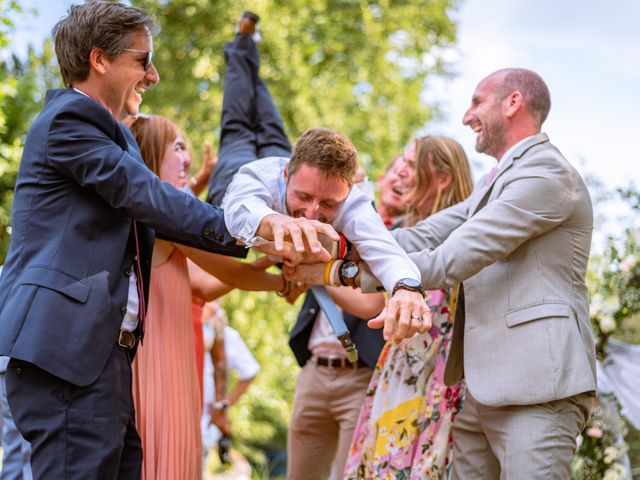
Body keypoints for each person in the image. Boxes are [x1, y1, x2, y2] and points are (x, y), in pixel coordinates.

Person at [0, 2, 246, 478]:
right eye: (142, 60)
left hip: (101, 358)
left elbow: (153, 205)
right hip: (66, 354)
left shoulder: (113, 137)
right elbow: (146, 193)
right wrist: (247, 229)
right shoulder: (70, 119)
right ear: (99, 59)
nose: (152, 75)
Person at [357, 68, 596, 478]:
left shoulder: (546, 175)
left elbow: (454, 258)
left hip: (537, 391)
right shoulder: (496, 180)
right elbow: (425, 234)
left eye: (476, 102)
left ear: (513, 103)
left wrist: (357, 272)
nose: (467, 116)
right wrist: (344, 249)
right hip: (478, 391)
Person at [126, 113, 285, 480]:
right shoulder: (163, 218)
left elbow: (205, 283)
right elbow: (230, 271)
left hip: (173, 359)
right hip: (159, 365)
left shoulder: (158, 219)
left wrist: (276, 271)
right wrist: (283, 267)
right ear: (150, 154)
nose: (188, 160)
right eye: (178, 147)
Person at [343, 135, 473, 479]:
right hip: (398, 371)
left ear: (443, 178)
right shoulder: (404, 230)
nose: (401, 170)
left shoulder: (465, 237)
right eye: (402, 160)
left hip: (436, 379)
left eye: (412, 164)